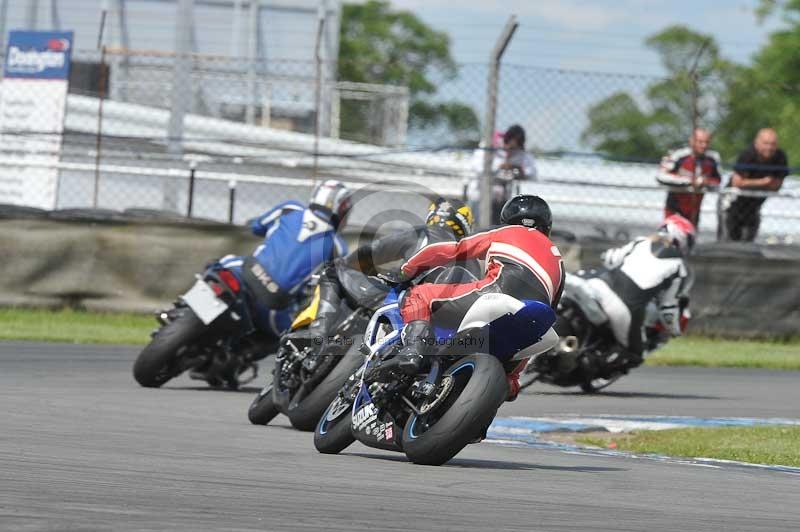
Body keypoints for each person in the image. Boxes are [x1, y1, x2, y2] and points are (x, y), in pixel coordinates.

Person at [373, 195, 564, 402]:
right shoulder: (559, 260)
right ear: (547, 226)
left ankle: (414, 350)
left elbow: (455, 250)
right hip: (534, 315)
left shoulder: (505, 232)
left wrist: (406, 270)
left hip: (497, 292)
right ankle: (508, 383)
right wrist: (513, 376)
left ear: (507, 219)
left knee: (420, 295)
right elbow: (548, 313)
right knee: (530, 335)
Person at [288, 197, 476, 344]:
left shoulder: (423, 234)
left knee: (334, 270)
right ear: (465, 224)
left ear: (432, 215)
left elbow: (373, 252)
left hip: (395, 299)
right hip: (434, 324)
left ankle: (318, 331)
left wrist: (350, 263)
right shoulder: (473, 257)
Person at [217, 180, 350, 338]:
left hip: (244, 272)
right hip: (274, 307)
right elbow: (331, 286)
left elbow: (256, 226)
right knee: (286, 339)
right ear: (342, 210)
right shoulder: (338, 247)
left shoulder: (289, 208)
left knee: (217, 268)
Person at [572, 214, 694, 370]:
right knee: (635, 355)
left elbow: (609, 258)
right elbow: (668, 309)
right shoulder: (679, 266)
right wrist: (675, 330)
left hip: (599, 285)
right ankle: (584, 371)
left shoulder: (640, 242)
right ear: (681, 238)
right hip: (625, 308)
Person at [720, 128, 789, 242]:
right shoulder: (747, 155)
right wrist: (763, 182)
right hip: (732, 204)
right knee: (729, 241)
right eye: (766, 143)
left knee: (748, 242)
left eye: (773, 144)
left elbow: (776, 186)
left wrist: (749, 183)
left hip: (754, 207)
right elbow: (737, 183)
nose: (769, 148)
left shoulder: (780, 157)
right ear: (757, 143)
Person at [468, 125, 537, 225]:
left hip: (503, 199)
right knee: (477, 225)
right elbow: (478, 167)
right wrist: (499, 167)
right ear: (505, 140)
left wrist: (519, 169)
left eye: (514, 149)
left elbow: (532, 173)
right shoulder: (489, 144)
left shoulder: (520, 153)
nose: (509, 151)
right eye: (508, 146)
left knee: (499, 226)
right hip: (480, 195)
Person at [656, 128, 721, 227]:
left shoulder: (712, 158)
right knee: (672, 233)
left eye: (707, 142)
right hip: (674, 206)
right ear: (691, 141)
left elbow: (717, 181)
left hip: (694, 210)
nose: (704, 145)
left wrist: (706, 182)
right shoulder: (678, 154)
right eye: (700, 142)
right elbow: (661, 176)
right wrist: (689, 181)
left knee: (690, 234)